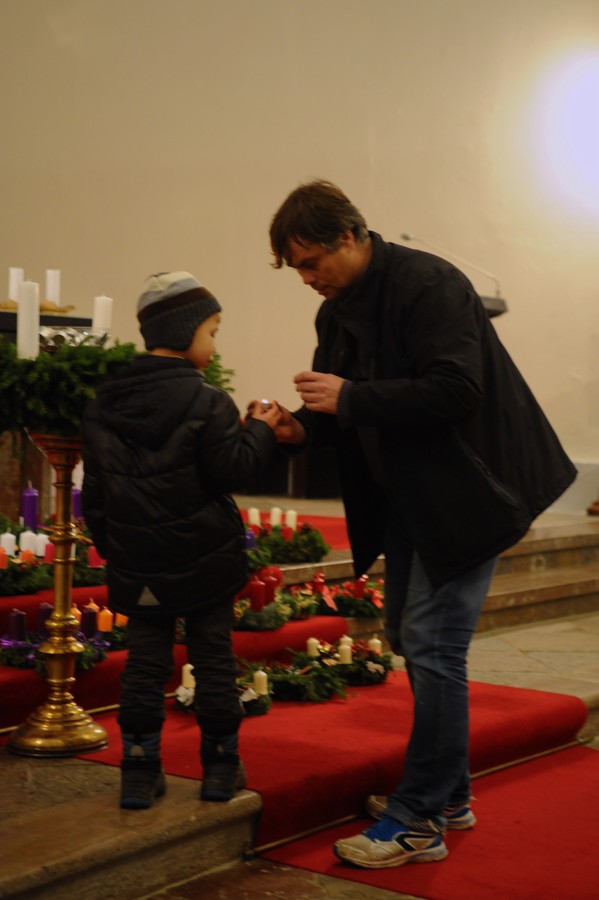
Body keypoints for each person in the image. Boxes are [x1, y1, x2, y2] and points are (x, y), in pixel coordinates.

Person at [267, 180, 576, 869]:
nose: (308, 279)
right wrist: (298, 430)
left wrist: (351, 398)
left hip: (473, 490)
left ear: (350, 236)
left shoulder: (429, 284)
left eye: (313, 262)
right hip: (410, 495)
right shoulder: (336, 311)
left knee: (434, 644)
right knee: (413, 636)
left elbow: (455, 390)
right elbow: (343, 409)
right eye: (297, 269)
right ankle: (450, 793)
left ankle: (418, 820)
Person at [82, 271, 281, 810]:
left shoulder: (104, 402)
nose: (214, 344)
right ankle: (220, 768)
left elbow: (94, 494)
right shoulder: (207, 400)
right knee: (213, 660)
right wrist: (260, 429)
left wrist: (119, 548)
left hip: (139, 561)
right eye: (212, 332)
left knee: (145, 665)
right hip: (204, 559)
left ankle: (139, 770)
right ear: (186, 329)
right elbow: (232, 471)